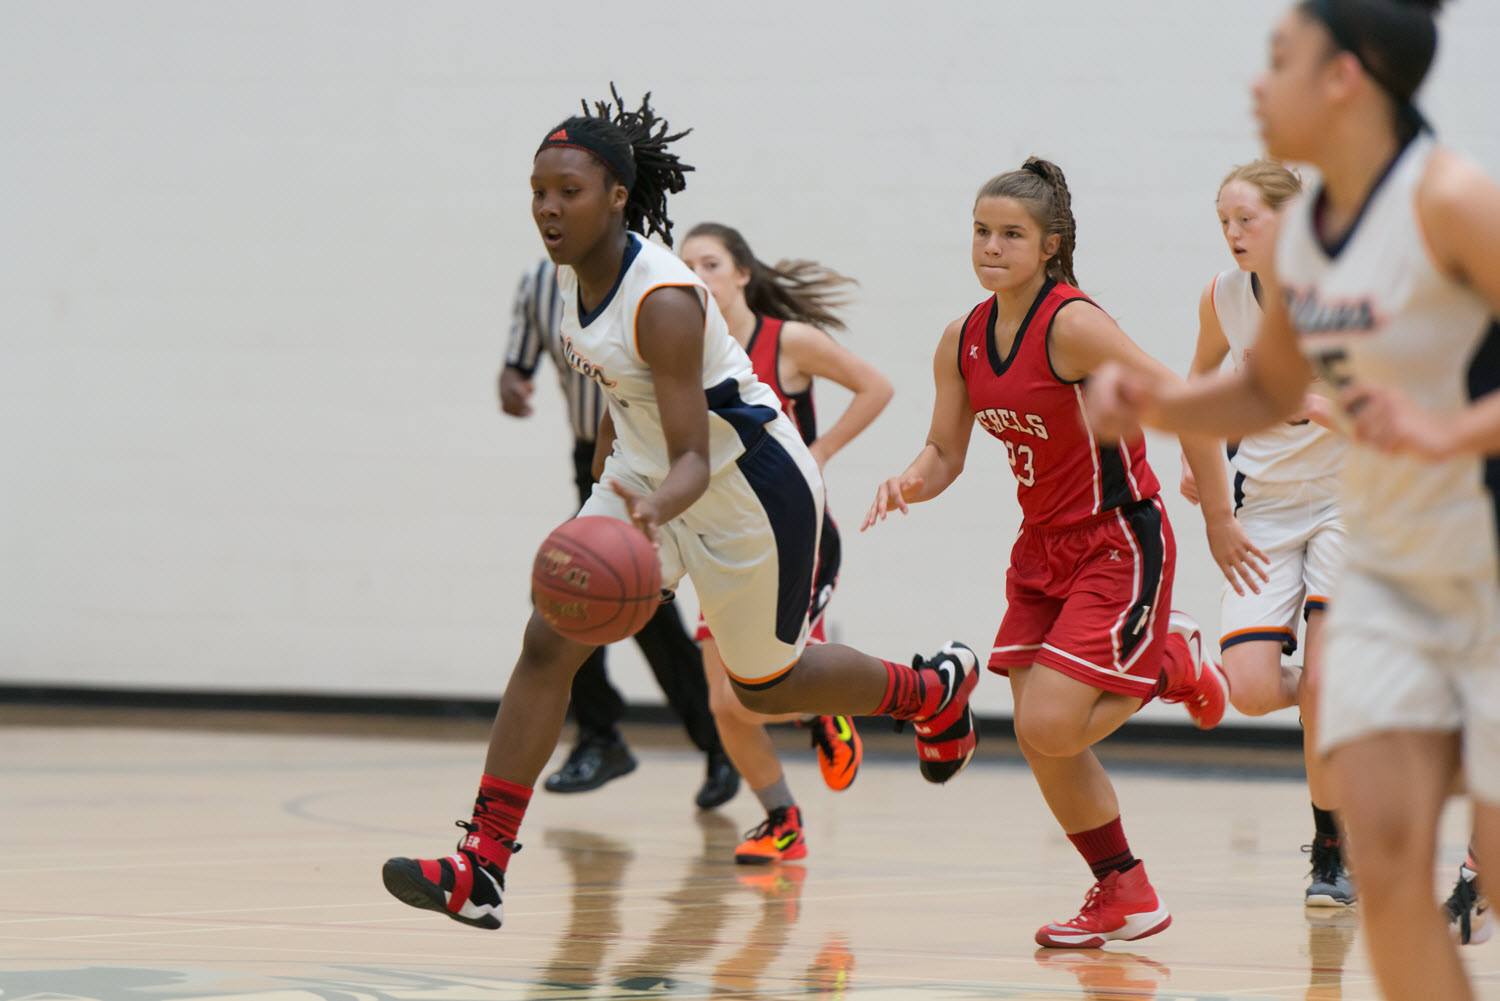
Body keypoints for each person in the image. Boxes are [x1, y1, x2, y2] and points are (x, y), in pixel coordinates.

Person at [381, 85, 982, 931]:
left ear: (618, 197)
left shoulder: (662, 299)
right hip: (644, 473)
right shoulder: (566, 277)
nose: (548, 209)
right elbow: (620, 410)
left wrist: (641, 516)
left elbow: (696, 457)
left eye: (569, 192)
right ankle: (482, 863)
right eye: (537, 192)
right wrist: (595, 499)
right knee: (548, 636)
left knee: (766, 688)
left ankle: (930, 689)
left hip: (748, 488)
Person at [1084, 2, 1500, 995]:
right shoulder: (1311, 245)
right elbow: (1261, 389)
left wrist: (1446, 432)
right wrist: (1162, 396)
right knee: (1391, 864)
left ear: (1344, 78)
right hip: (1387, 553)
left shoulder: (1453, 202)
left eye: (1281, 60)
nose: (1257, 86)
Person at [863, 156, 1239, 948]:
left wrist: (1218, 522)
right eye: (981, 231)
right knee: (1038, 734)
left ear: (1049, 245)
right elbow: (944, 450)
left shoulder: (1072, 325)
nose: (991, 247)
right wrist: (908, 481)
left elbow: (1189, 406)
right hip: (1042, 549)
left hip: (1117, 538)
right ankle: (1126, 890)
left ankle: (1173, 659)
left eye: (1011, 234)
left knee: (1055, 724)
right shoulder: (961, 338)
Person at [679, 222, 894, 862]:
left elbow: (876, 386)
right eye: (685, 266)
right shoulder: (685, 353)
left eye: (710, 263)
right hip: (726, 543)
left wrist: (820, 452)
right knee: (724, 703)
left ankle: (823, 706)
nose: (697, 276)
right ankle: (782, 820)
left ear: (742, 272)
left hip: (795, 536)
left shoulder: (786, 341)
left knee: (761, 686)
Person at [500, 256, 738, 809]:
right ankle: (606, 736)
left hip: (671, 454)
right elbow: (516, 362)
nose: (552, 207)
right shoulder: (541, 282)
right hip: (597, 457)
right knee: (568, 592)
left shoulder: (656, 284)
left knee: (629, 603)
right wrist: (512, 385)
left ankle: (714, 740)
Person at [1179, 160, 1353, 906]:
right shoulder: (1224, 298)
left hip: (1352, 499)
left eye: (1247, 218)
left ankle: (1331, 849)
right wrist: (1209, 465)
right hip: (1267, 506)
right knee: (1249, 690)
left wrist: (1318, 403)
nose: (1233, 233)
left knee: (1321, 680)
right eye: (1224, 220)